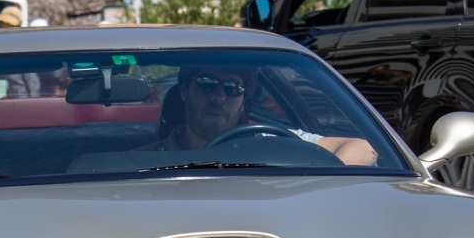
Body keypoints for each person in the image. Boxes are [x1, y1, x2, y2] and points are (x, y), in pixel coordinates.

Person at [140, 65, 378, 166]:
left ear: (243, 99)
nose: (220, 97)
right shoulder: (144, 160)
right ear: (184, 91)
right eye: (207, 84)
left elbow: (362, 147)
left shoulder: (272, 141)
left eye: (233, 89)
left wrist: (325, 187)